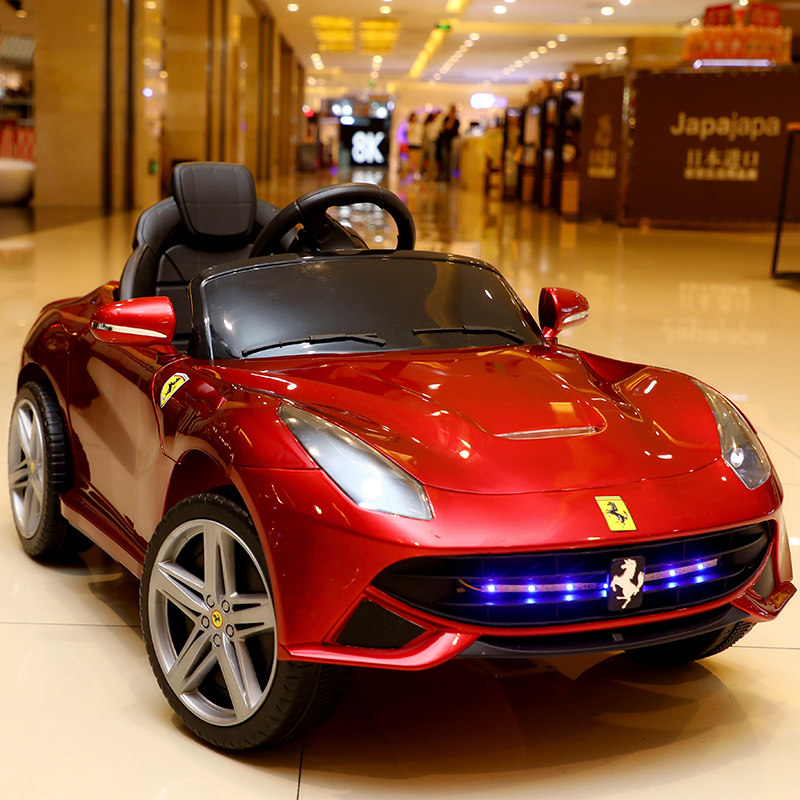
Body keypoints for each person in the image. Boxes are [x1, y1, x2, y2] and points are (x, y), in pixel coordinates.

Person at [437, 105, 460, 181]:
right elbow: (448, 127)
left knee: (452, 159)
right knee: (445, 158)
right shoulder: (446, 119)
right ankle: (443, 176)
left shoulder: (457, 120)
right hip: (446, 141)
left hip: (454, 141)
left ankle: (449, 177)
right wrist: (451, 118)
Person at [422, 111, 441, 179]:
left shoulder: (435, 125)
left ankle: (432, 174)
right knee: (427, 159)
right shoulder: (428, 125)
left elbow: (437, 134)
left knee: (432, 159)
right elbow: (425, 135)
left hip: (433, 142)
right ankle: (427, 173)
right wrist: (424, 143)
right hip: (428, 141)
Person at [405, 112, 423, 178]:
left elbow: (421, 135)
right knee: (411, 159)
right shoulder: (409, 125)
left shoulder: (419, 126)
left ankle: (416, 173)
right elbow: (407, 134)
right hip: (411, 143)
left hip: (418, 143)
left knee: (417, 159)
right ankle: (410, 173)